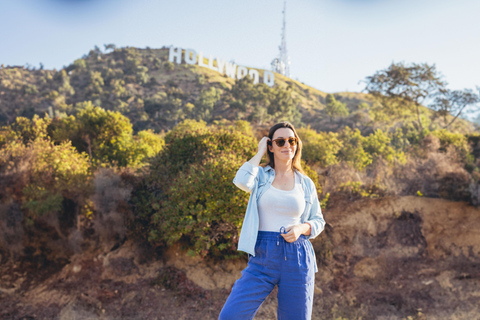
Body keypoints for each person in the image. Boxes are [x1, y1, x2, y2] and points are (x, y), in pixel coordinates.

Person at [219, 122, 326, 320]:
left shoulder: (305, 182)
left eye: (292, 140)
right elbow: (241, 181)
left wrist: (302, 228)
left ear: (297, 144)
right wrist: (259, 152)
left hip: (297, 256)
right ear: (271, 146)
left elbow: (318, 220)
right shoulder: (260, 175)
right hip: (263, 255)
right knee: (231, 316)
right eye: (280, 141)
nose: (287, 145)